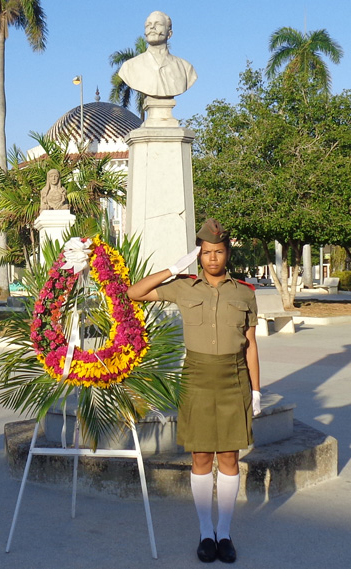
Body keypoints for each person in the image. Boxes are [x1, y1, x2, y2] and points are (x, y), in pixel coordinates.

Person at [127, 219, 261, 564]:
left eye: (218, 252)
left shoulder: (244, 292)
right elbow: (134, 293)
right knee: (201, 457)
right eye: (206, 253)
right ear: (198, 255)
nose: (212, 258)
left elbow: (250, 346)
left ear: (227, 253)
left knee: (230, 457)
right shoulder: (184, 287)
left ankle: (225, 533)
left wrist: (256, 391)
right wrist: (173, 268)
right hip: (197, 378)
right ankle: (206, 533)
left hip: (234, 379)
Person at [118, 11, 198, 98]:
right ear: (145, 34)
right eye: (148, 25)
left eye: (158, 24)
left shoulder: (186, 69)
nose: (152, 27)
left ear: (169, 33)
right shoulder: (129, 67)